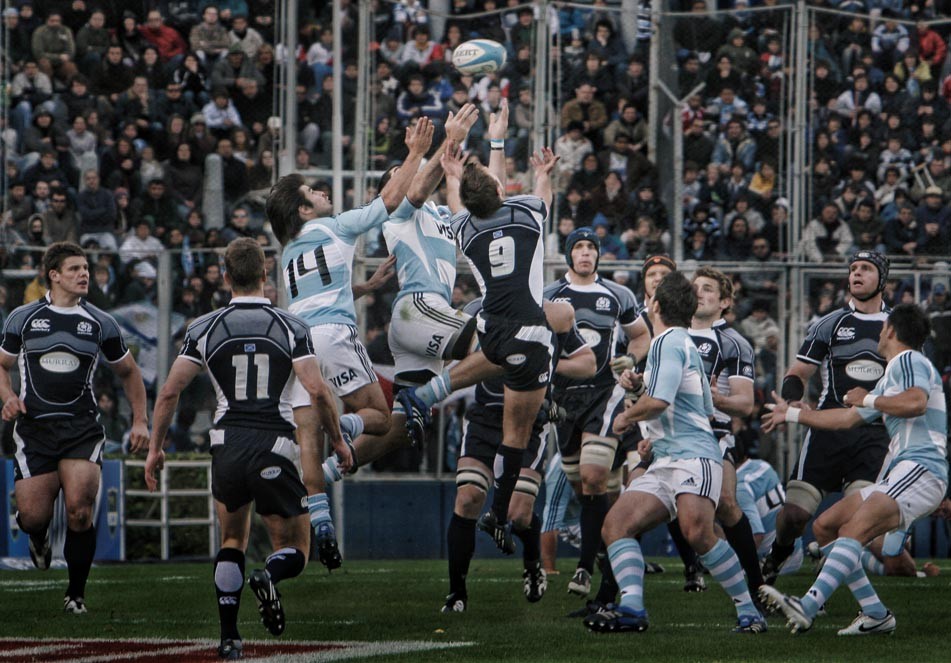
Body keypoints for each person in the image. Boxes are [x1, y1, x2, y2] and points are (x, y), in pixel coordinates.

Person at [143, 238, 349, 660]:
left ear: (224, 277)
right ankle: (269, 576)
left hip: (226, 445)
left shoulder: (203, 327)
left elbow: (168, 393)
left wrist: (155, 449)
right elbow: (317, 389)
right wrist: (341, 441)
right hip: (274, 443)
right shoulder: (291, 327)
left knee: (232, 538)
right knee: (297, 549)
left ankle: (230, 637)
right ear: (265, 276)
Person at [265, 118, 433, 569]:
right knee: (378, 418)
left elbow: (311, 294)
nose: (322, 192)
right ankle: (342, 438)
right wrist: (415, 152)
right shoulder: (337, 225)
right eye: (313, 192)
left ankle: (320, 523)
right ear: (304, 210)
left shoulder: (287, 252)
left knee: (307, 441)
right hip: (336, 334)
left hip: (297, 343)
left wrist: (362, 287)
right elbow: (390, 200)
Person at [588, 271, 766, 634]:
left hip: (693, 455)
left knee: (697, 532)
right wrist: (650, 428)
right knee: (616, 525)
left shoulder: (668, 341)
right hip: (667, 455)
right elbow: (694, 404)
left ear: (654, 304)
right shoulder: (678, 342)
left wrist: (626, 417)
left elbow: (661, 401)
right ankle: (633, 608)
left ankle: (750, 611)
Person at [316, 103, 480, 484]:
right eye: (400, 176)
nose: (412, 177)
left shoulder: (440, 213)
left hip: (425, 319)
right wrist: (450, 138)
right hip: (419, 309)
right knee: (500, 343)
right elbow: (420, 186)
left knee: (400, 427)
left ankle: (326, 473)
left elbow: (465, 201)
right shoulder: (398, 212)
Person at [760, 303, 948, 636]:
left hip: (920, 468)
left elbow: (916, 402)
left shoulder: (909, 360)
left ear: (890, 330)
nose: (879, 331)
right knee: (827, 526)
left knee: (854, 530)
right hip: (905, 472)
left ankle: (807, 606)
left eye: (882, 327)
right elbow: (847, 418)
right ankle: (875, 613)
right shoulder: (894, 372)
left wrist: (869, 400)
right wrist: (791, 415)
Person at [0, 242, 149, 614]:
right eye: (74, 269)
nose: (84, 274)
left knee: (81, 510)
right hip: (33, 430)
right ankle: (38, 537)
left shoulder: (102, 322)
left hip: (82, 428)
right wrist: (7, 397)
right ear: (54, 275)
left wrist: (140, 420)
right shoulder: (23, 317)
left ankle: (76, 595)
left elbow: (129, 372)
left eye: (86, 268)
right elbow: (0, 365)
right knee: (34, 515)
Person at [431, 124, 560, 553]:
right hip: (529, 333)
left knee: (479, 385)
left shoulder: (466, 230)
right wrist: (544, 172)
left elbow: (464, 204)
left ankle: (424, 396)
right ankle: (498, 513)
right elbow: (541, 195)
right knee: (516, 435)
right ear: (499, 190)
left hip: (491, 331)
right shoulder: (526, 213)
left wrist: (452, 176)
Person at [442, 296, 596, 613]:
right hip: (486, 416)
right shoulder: (474, 309)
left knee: (519, 514)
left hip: (528, 421)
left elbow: (587, 363)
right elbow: (447, 359)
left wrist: (544, 363)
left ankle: (532, 561)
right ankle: (457, 593)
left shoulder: (552, 311)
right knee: (468, 498)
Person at [760, 251, 892, 584]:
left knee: (856, 519)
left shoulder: (896, 327)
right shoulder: (829, 323)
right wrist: (794, 401)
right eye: (852, 269)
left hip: (874, 435)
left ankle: (823, 585)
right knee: (793, 516)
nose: (856, 274)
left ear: (882, 279)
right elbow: (797, 372)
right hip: (827, 430)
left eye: (865, 269)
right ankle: (780, 552)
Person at [542, 226, 642, 599]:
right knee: (586, 489)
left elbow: (641, 334)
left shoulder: (618, 294)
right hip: (564, 401)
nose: (585, 253)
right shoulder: (550, 296)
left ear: (599, 254)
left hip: (605, 394)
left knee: (594, 475)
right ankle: (604, 549)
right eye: (578, 247)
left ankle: (583, 568)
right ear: (568, 254)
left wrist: (630, 358)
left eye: (591, 248)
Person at [686, 267, 765, 594]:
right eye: (695, 287)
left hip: (712, 433)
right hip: (664, 436)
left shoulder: (734, 343)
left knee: (726, 502)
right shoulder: (668, 334)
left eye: (708, 289)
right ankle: (609, 597)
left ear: (724, 302)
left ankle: (756, 585)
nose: (699, 293)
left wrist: (712, 397)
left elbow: (745, 404)